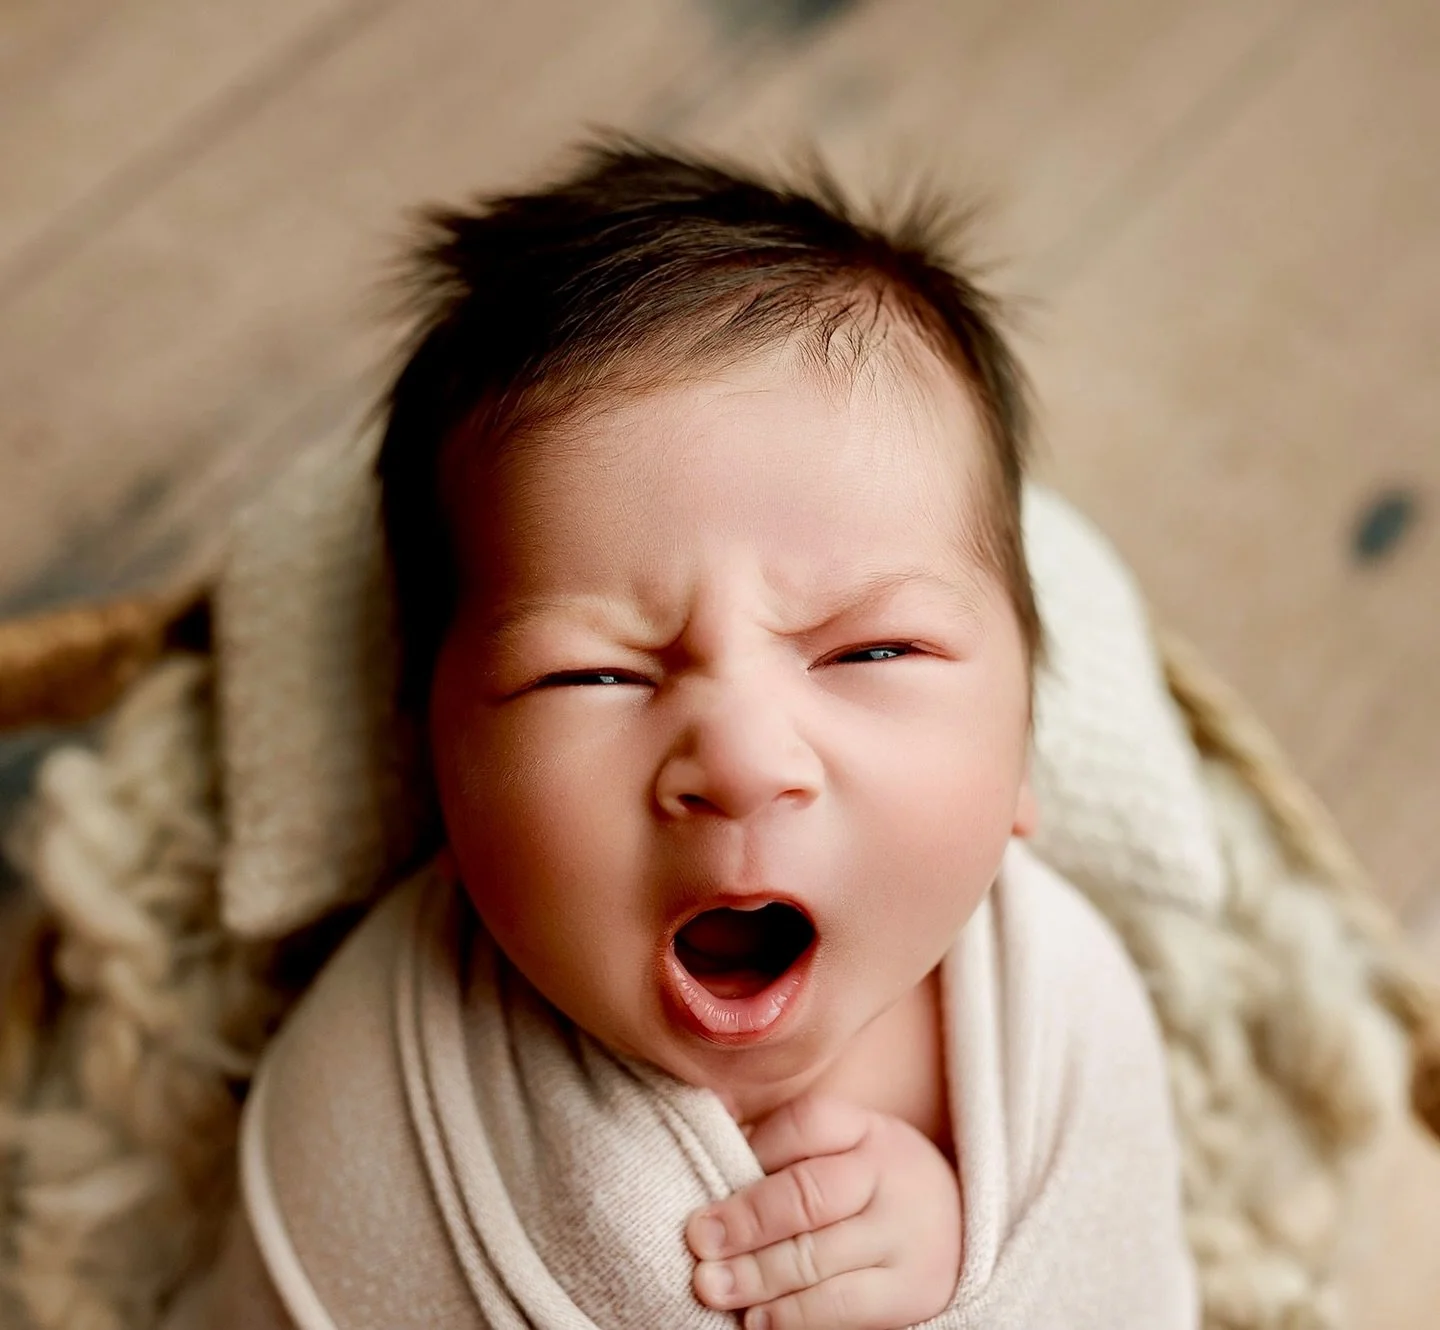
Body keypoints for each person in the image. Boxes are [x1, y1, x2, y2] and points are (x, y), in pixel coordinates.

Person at [181, 138, 1197, 1330]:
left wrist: (949, 1253)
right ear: (437, 763)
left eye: (873, 652)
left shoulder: (1063, 1016)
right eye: (591, 673)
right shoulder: (382, 1077)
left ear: (1021, 756)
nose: (743, 760)